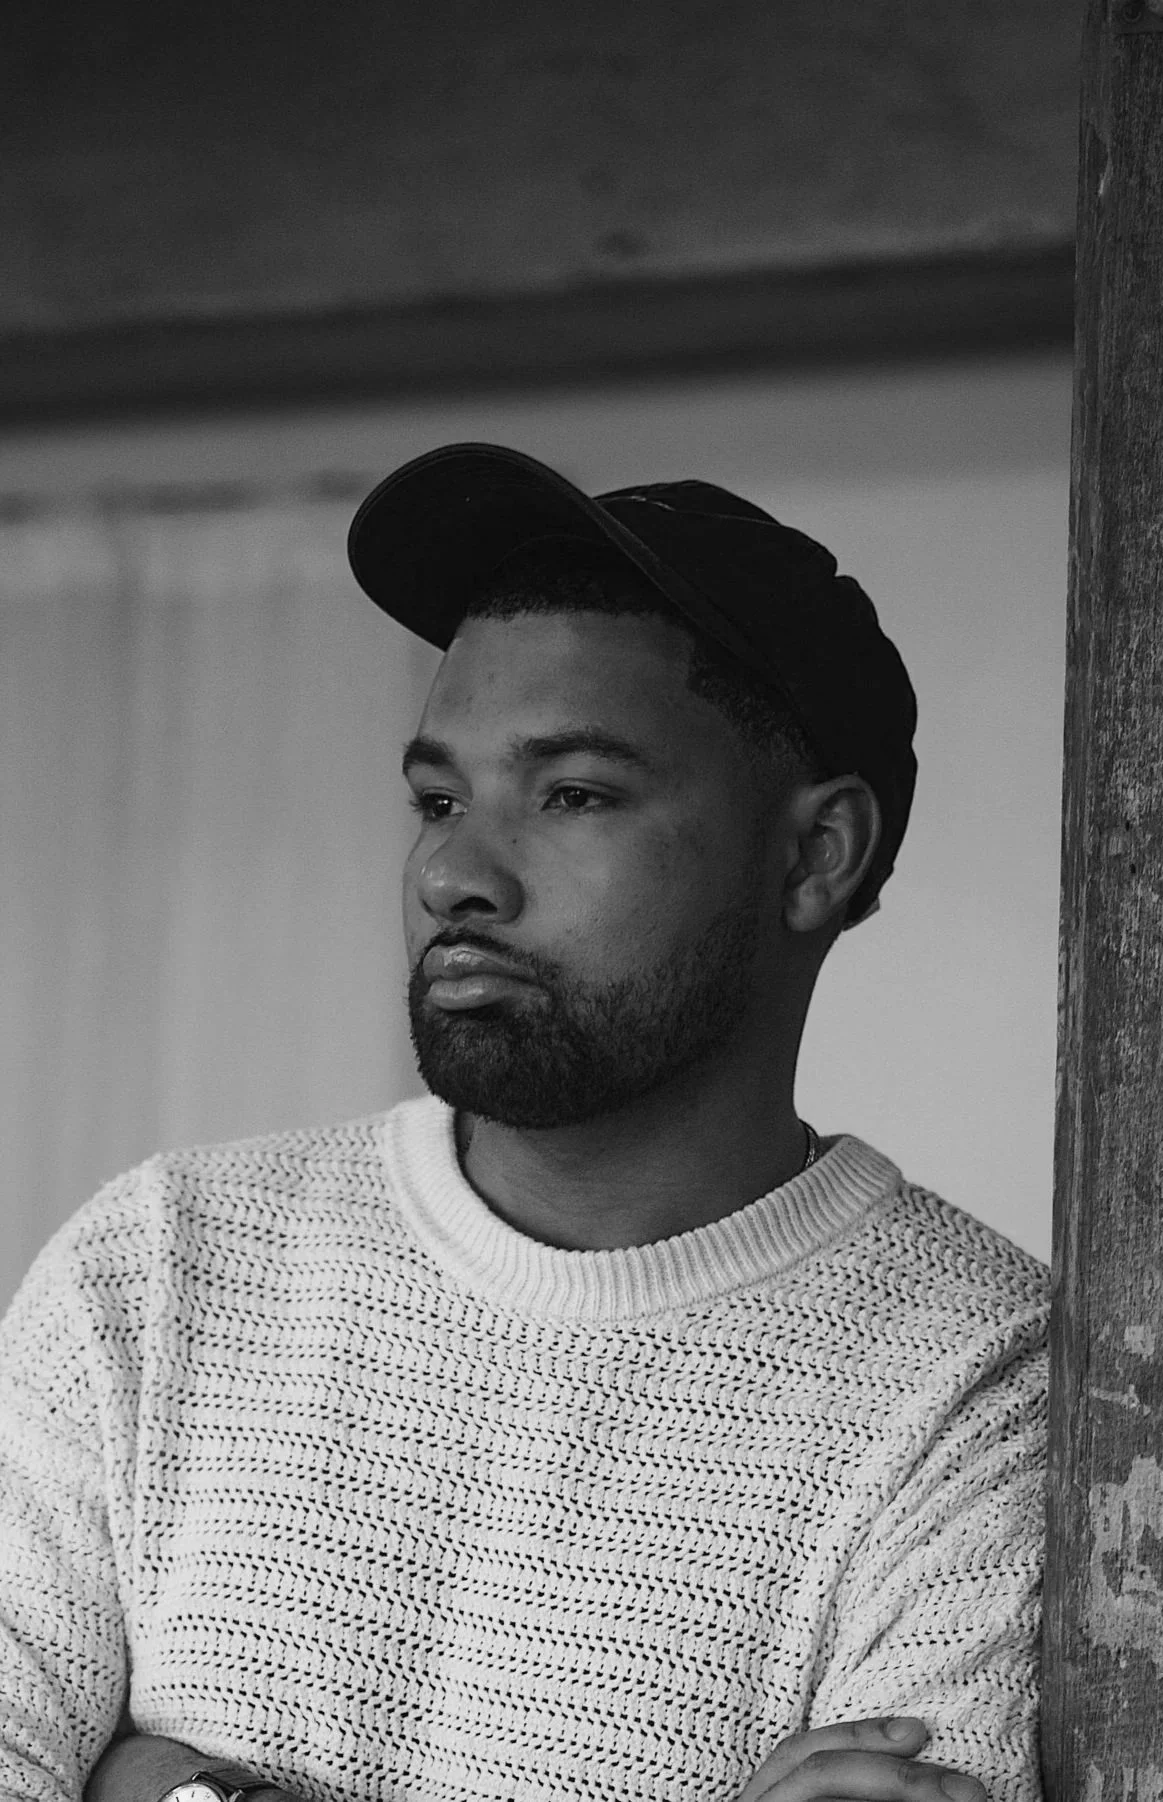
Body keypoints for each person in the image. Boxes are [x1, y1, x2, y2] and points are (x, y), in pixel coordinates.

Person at [0, 444, 1047, 1802]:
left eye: (573, 794)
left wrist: (176, 1790)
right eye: (438, 797)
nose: (453, 870)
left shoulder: (985, 1385)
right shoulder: (158, 1266)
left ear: (813, 855)